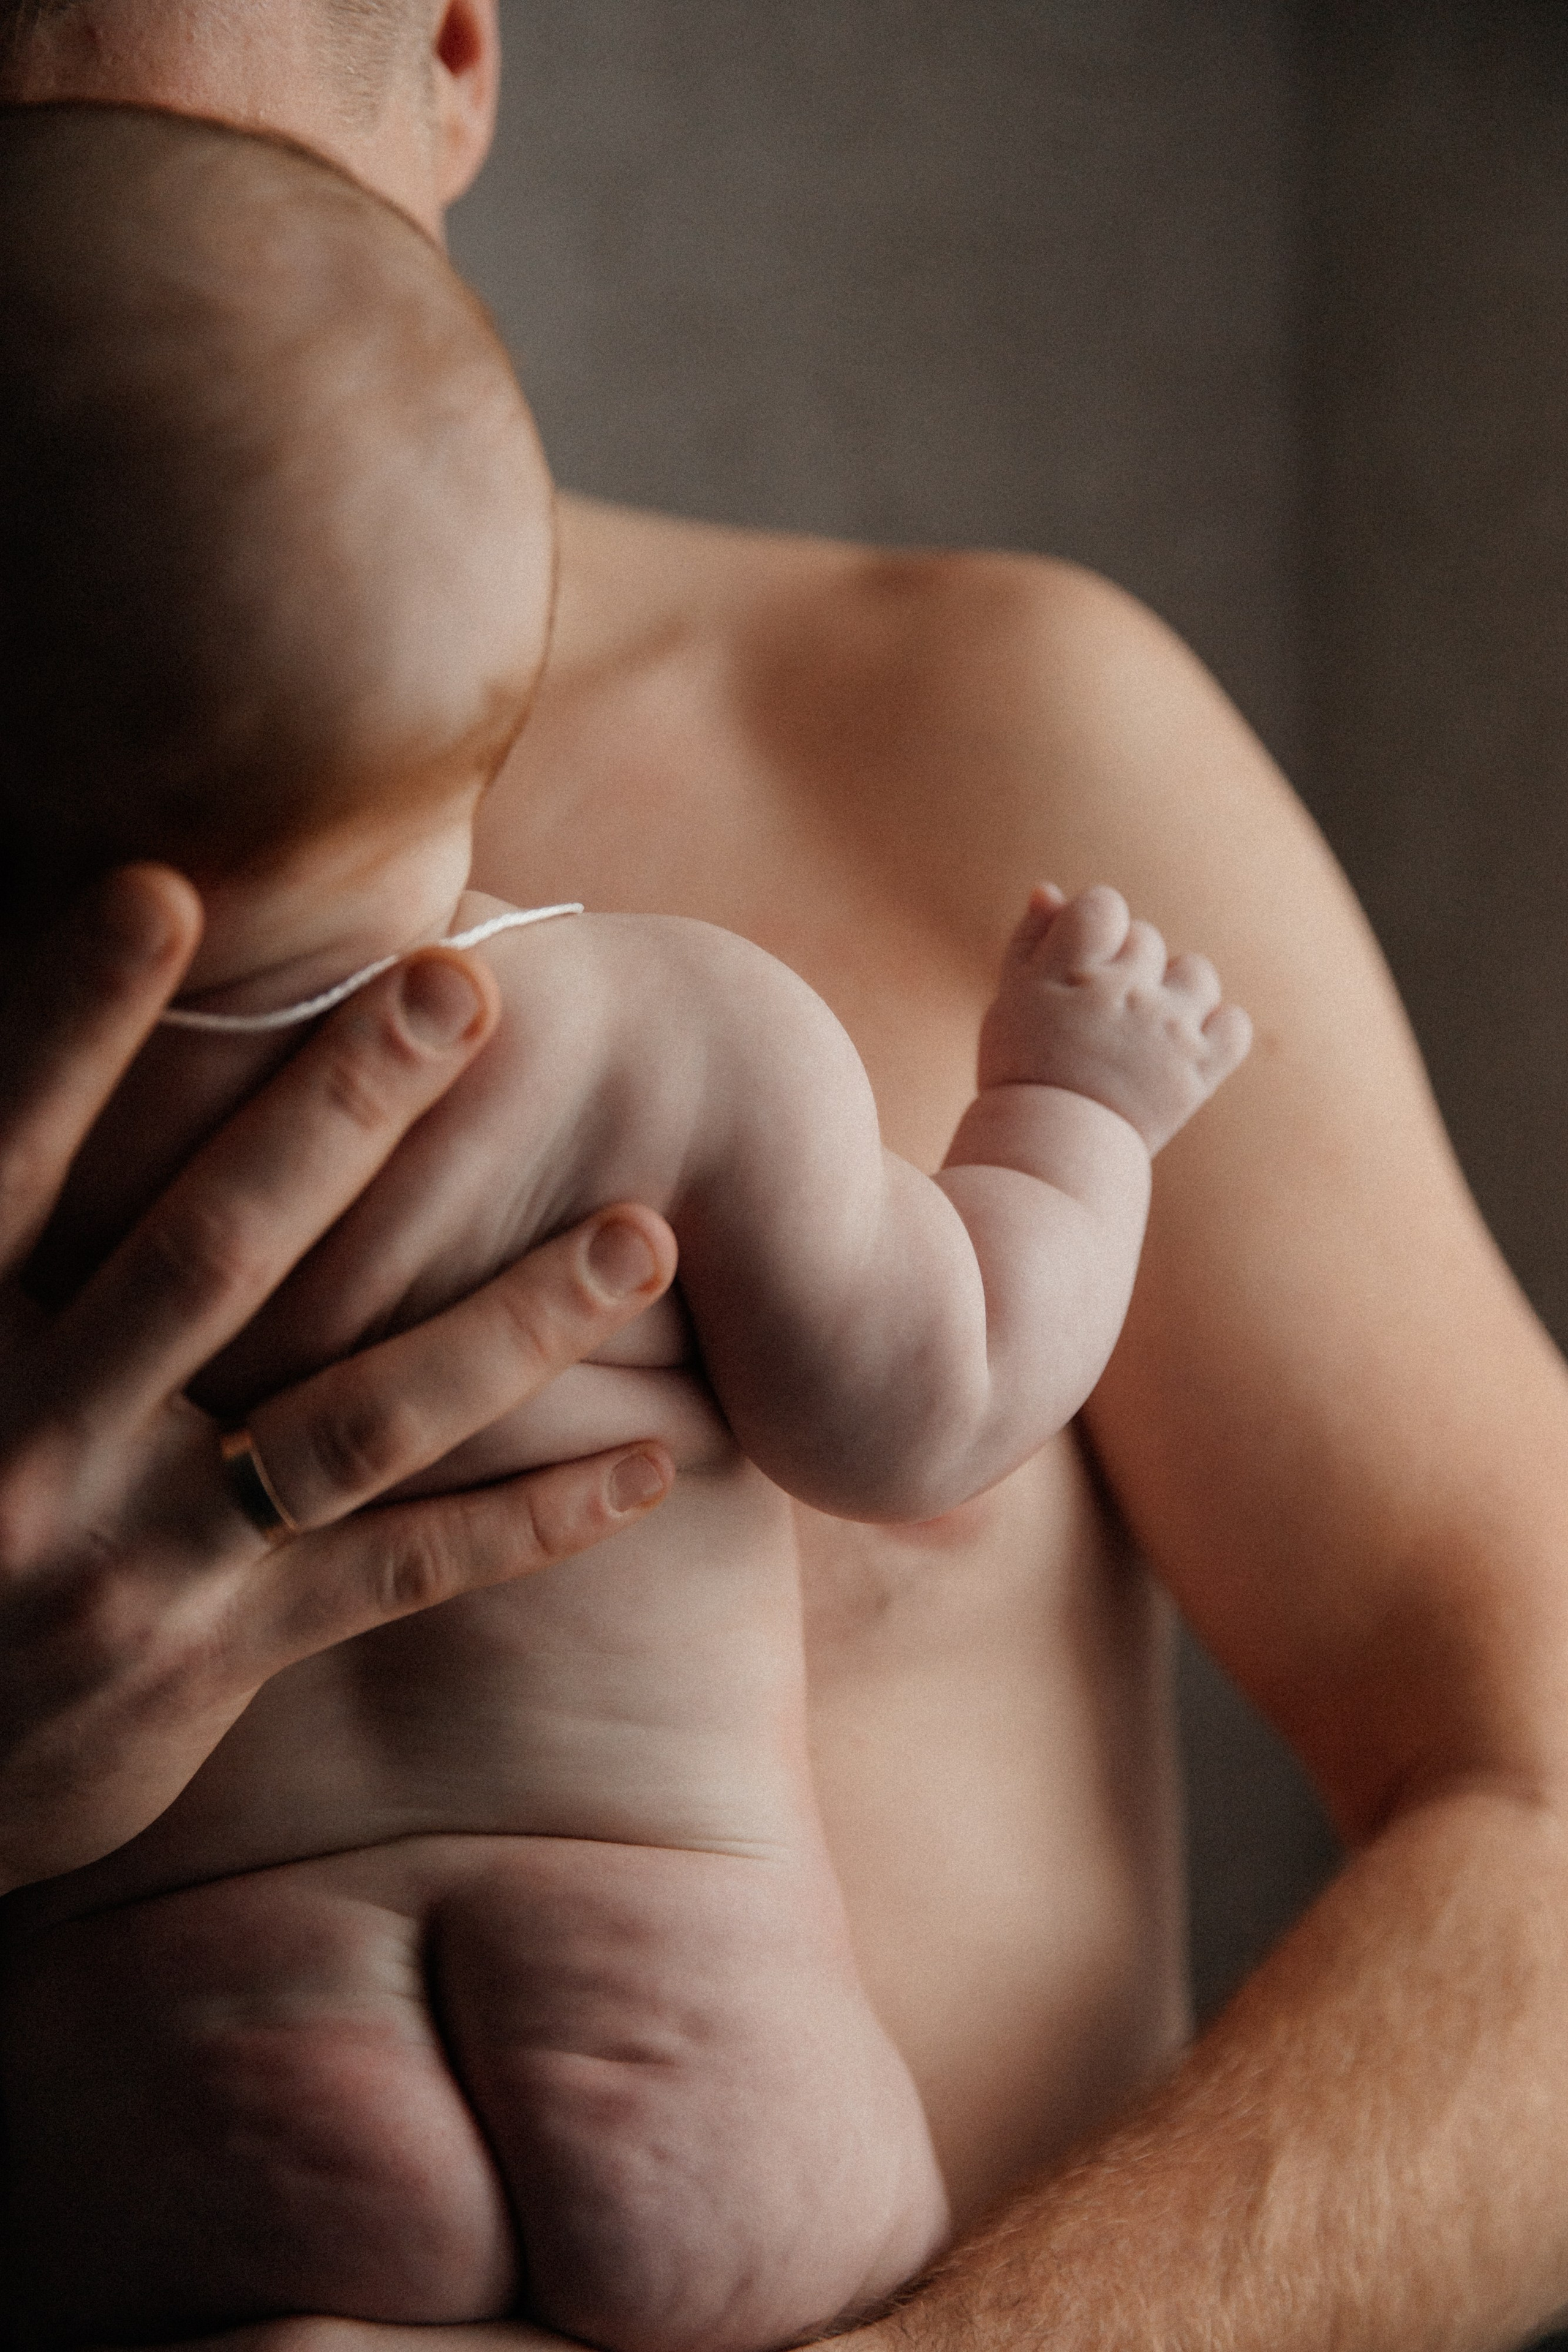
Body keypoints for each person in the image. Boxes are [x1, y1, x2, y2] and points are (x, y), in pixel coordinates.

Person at [4, 5, 1568, 2350]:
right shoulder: (687, 1024)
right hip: (723, 2171)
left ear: (439, 50)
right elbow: (939, 1371)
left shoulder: (983, 734)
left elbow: (1545, 1803)